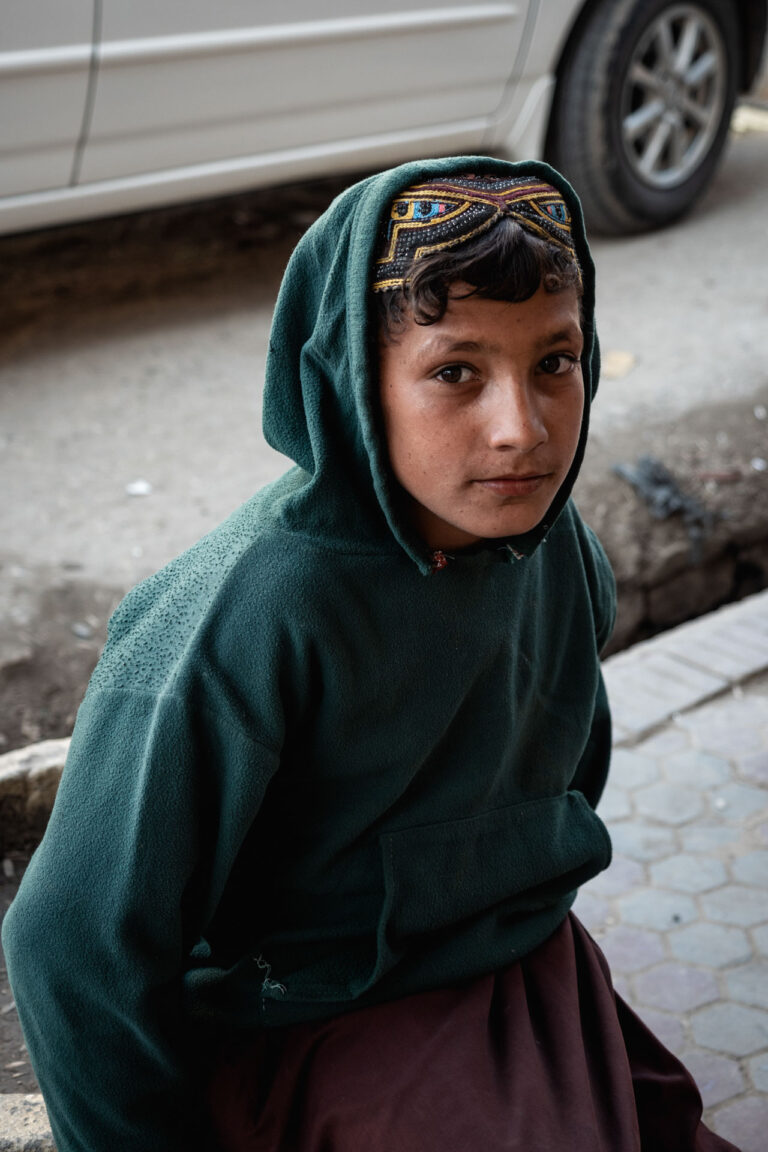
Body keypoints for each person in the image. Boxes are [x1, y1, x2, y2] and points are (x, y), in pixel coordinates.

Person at [2, 159, 737, 1152]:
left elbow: (570, 775)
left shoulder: (561, 554)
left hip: (520, 966)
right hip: (313, 1022)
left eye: (555, 361)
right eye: (454, 372)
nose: (521, 428)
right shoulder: (246, 619)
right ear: (354, 381)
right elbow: (71, 946)